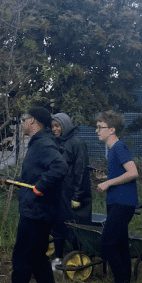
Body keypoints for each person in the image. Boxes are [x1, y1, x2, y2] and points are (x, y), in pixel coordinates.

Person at [0, 107, 67, 283]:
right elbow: (32, 177)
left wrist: (41, 186)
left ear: (33, 121)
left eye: (24, 120)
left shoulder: (43, 143)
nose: (22, 123)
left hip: (36, 212)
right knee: (38, 258)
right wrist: (11, 182)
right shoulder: (40, 142)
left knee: (22, 257)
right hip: (37, 210)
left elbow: (59, 167)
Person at [96, 110, 139, 283]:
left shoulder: (119, 147)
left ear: (112, 130)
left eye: (100, 127)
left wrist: (107, 183)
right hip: (117, 202)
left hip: (123, 203)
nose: (97, 130)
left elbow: (133, 172)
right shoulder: (113, 150)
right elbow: (122, 173)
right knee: (120, 244)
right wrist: (106, 177)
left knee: (107, 243)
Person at [50, 112, 92, 270]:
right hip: (59, 195)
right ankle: (58, 260)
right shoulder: (55, 143)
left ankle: (76, 259)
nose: (55, 129)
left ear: (65, 125)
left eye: (57, 125)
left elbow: (81, 173)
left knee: (76, 229)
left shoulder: (77, 144)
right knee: (58, 227)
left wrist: (77, 196)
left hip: (73, 196)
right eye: (53, 126)